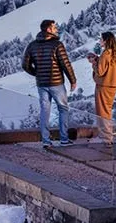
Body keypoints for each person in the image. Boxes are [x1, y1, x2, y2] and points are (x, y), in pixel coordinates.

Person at [20, 19, 77, 149]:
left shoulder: (32, 45)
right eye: (54, 27)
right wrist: (73, 80)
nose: (56, 28)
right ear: (48, 29)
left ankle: (46, 141)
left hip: (41, 83)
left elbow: (25, 65)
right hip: (56, 83)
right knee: (63, 109)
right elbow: (65, 64)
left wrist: (37, 73)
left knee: (45, 111)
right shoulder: (57, 44)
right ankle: (64, 139)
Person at [91, 31, 116, 143]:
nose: (100, 41)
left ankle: (105, 138)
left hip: (103, 86)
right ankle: (107, 136)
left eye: (101, 39)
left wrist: (93, 62)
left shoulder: (106, 54)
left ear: (106, 41)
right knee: (107, 111)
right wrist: (98, 59)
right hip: (112, 86)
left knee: (102, 113)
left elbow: (100, 72)